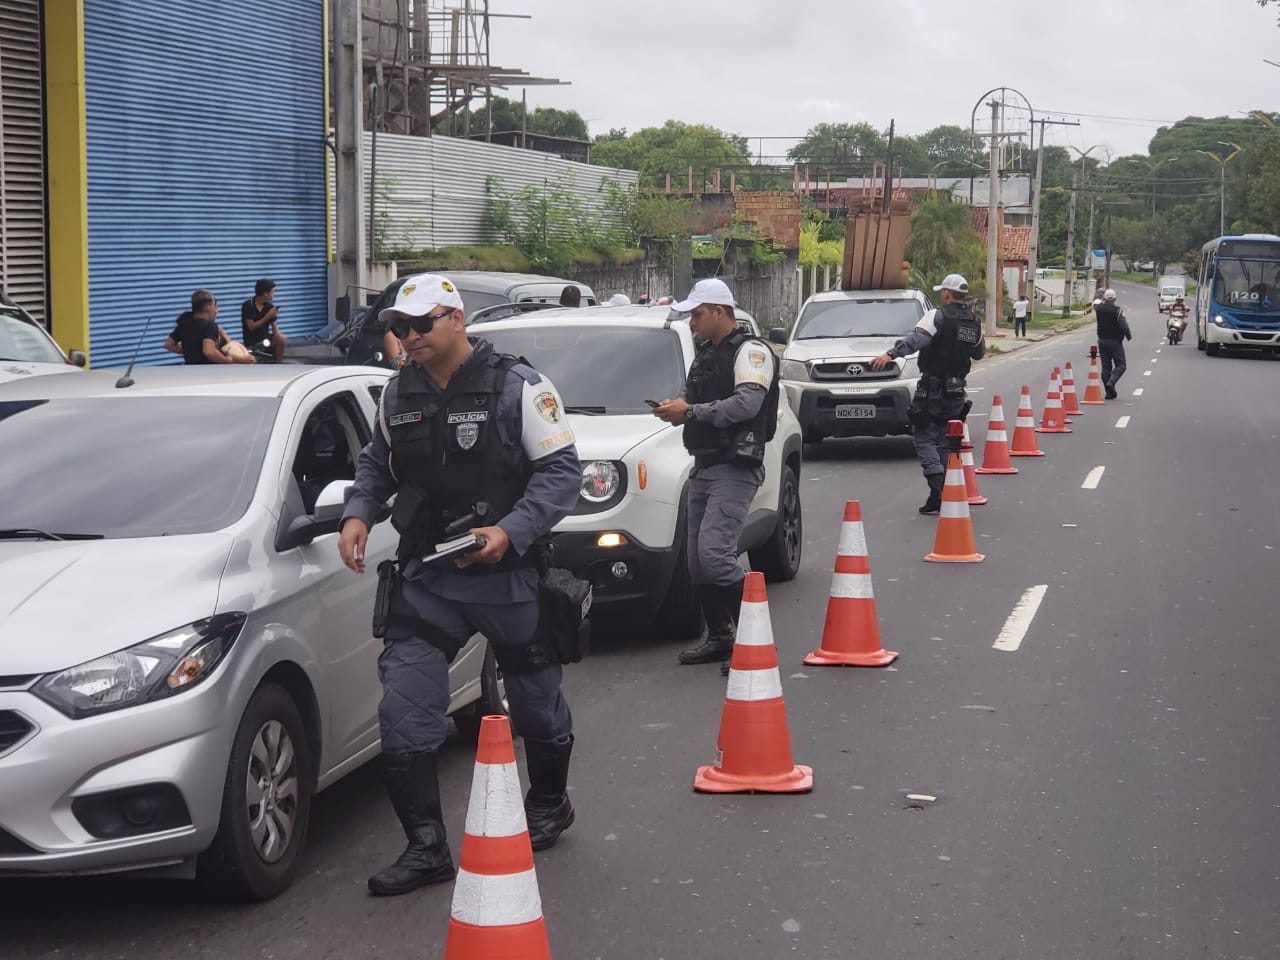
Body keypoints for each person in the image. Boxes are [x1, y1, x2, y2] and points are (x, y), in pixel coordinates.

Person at [337, 274, 581, 897]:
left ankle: (549, 803)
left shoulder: (518, 387)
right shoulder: (397, 394)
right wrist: (358, 513)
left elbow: (560, 474)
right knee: (404, 707)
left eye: (420, 324)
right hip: (430, 579)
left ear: (456, 319)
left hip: (509, 577)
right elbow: (376, 465)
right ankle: (426, 848)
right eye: (399, 327)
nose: (408, 337)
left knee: (535, 703)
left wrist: (510, 531)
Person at [653, 278, 780, 673]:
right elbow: (698, 397)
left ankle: (755, 640)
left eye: (697, 313)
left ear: (719, 312)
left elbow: (746, 404)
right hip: (704, 466)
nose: (692, 321)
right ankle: (723, 637)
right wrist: (674, 406)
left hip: (734, 467)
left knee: (715, 554)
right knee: (697, 562)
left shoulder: (752, 352)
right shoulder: (707, 353)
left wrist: (689, 412)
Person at [870, 273, 984, 514]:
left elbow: (917, 340)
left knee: (924, 438)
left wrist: (890, 354)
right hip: (956, 391)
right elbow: (978, 353)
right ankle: (938, 494)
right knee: (944, 441)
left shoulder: (938, 316)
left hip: (931, 389)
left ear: (946, 293)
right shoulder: (972, 321)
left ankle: (939, 487)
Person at [163, 289, 254, 364]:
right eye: (215, 307)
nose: (216, 311)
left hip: (189, 371)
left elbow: (168, 345)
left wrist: (190, 353)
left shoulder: (184, 324)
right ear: (208, 307)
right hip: (209, 373)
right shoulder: (210, 326)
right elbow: (209, 351)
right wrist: (228, 361)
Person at [1094, 288, 1132, 398]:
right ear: (1115, 299)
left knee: (1106, 368)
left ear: (1104, 298)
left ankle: (1109, 392)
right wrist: (1128, 336)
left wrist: (1100, 291)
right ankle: (1111, 382)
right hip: (1115, 342)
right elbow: (1123, 325)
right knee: (1121, 365)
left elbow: (1095, 300)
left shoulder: (1099, 308)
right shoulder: (1118, 310)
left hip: (1102, 342)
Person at [240, 279, 287, 362]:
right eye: (272, 292)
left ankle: (278, 364)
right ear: (265, 293)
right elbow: (251, 327)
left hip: (265, 339)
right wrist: (268, 316)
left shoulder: (269, 307)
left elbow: (275, 327)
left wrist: (277, 338)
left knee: (281, 338)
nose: (274, 294)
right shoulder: (248, 305)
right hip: (252, 341)